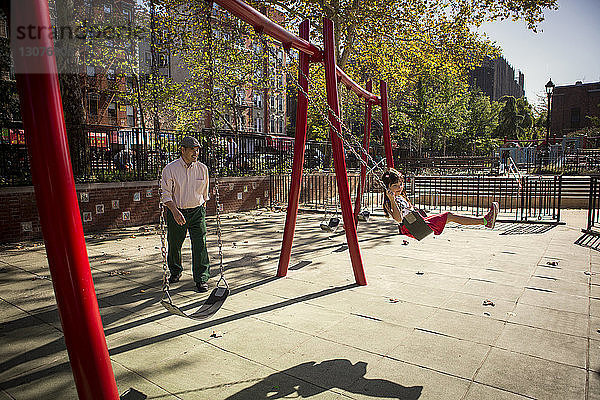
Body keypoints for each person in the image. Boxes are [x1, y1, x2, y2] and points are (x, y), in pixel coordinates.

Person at [381, 168, 498, 238]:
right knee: (449, 216)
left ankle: (485, 221)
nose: (399, 187)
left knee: (450, 216)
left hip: (418, 223)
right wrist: (392, 200)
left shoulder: (400, 197)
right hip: (414, 228)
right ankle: (485, 221)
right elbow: (399, 219)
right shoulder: (391, 201)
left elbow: (408, 212)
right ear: (388, 187)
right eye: (395, 185)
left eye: (400, 184)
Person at [160, 136, 211, 292]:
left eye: (197, 150)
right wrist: (174, 212)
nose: (195, 153)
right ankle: (175, 271)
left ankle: (201, 278)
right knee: (174, 243)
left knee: (200, 245)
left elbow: (205, 193)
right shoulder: (170, 169)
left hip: (197, 211)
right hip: (177, 210)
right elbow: (166, 195)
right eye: (192, 150)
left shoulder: (203, 168)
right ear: (182, 150)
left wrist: (202, 210)